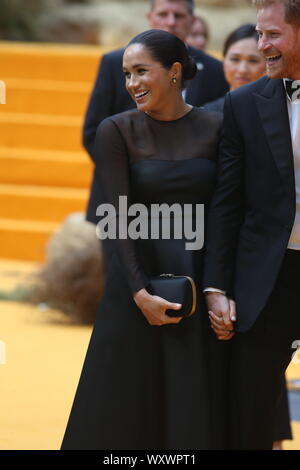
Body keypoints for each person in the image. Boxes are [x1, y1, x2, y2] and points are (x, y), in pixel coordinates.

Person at [61, 29, 226, 450]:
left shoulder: (217, 127)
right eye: (126, 74)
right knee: (120, 403)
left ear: (174, 72)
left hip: (196, 276)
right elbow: (115, 215)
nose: (131, 83)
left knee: (189, 399)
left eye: (141, 71)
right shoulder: (117, 130)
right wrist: (139, 292)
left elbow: (230, 212)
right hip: (134, 278)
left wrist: (217, 287)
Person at [203, 0, 300, 450]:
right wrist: (217, 286)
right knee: (251, 412)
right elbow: (227, 203)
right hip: (269, 277)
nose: (262, 46)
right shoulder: (242, 104)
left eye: (272, 35)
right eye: (260, 34)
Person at [84, 0, 229, 227]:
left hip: (191, 220)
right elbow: (92, 132)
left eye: (178, 16)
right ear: (150, 17)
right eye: (163, 14)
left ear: (192, 21)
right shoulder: (113, 62)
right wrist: (133, 176)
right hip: (124, 208)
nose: (170, 22)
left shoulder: (215, 70)